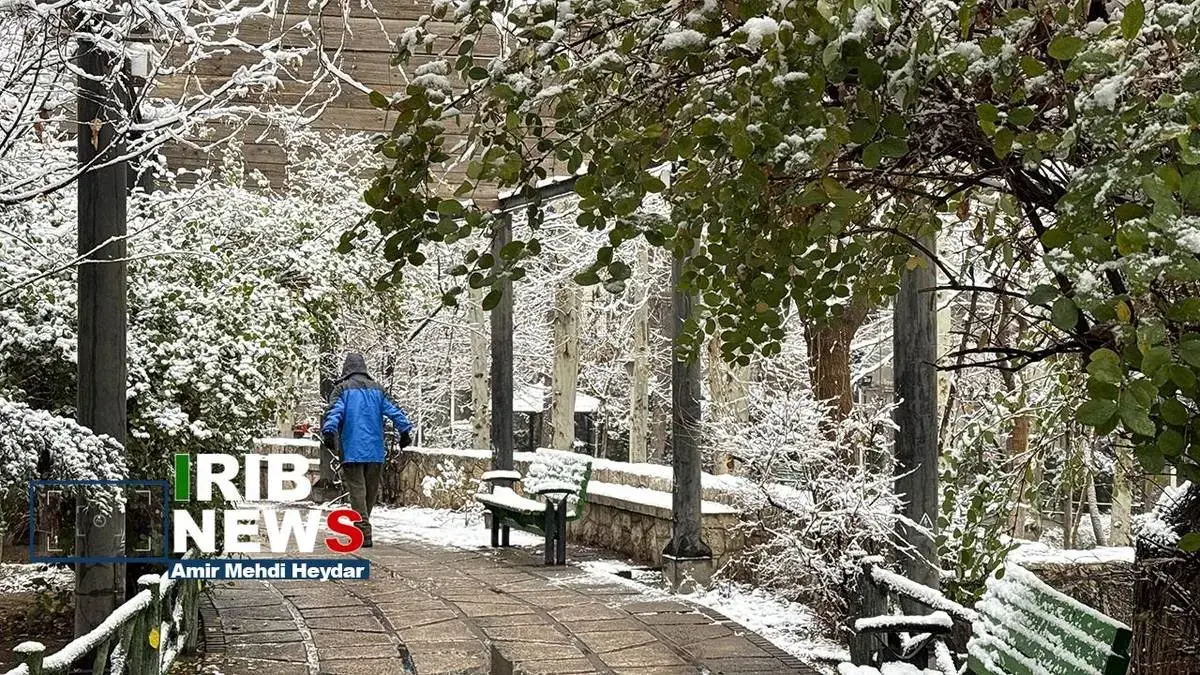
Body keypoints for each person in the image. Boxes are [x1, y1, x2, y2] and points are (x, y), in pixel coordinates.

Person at [321, 352, 412, 547]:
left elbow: (334, 411)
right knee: (370, 492)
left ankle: (362, 529)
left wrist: (329, 432)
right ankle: (363, 527)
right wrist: (404, 430)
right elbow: (394, 410)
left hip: (352, 448)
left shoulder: (341, 389)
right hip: (375, 450)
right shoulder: (378, 390)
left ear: (346, 369)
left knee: (357, 490)